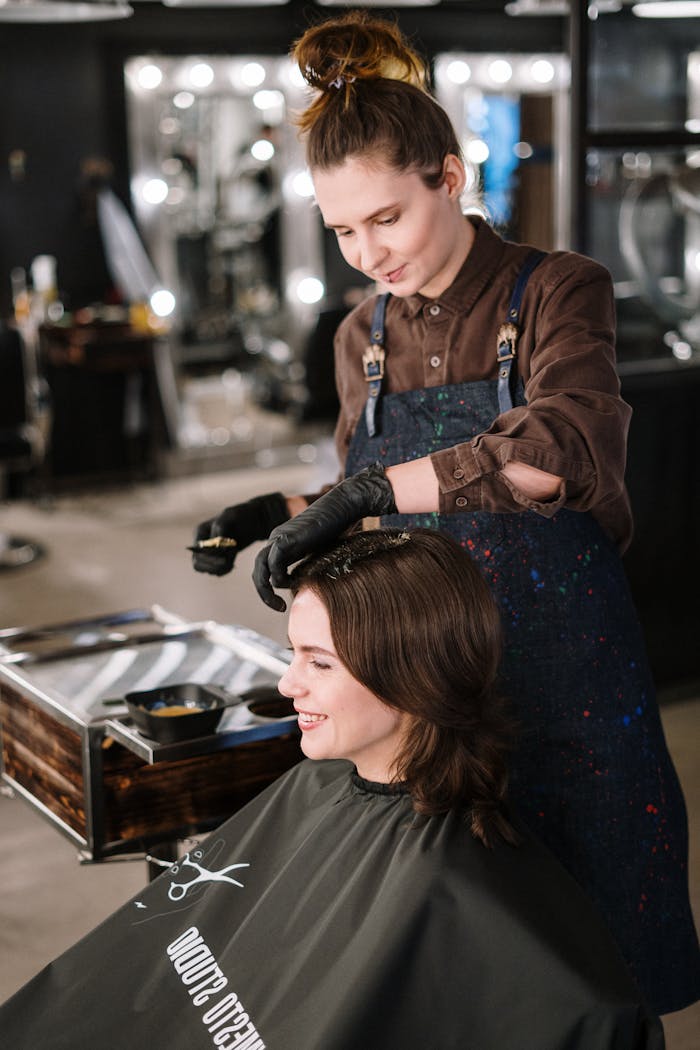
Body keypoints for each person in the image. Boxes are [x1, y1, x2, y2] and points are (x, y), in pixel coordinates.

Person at [190, 12, 700, 1016]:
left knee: (599, 962)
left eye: (386, 217)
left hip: (572, 693)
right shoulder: (358, 339)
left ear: (449, 178)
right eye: (342, 231)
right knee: (466, 967)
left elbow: (560, 456)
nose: (366, 252)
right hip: (437, 703)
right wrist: (291, 507)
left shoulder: (556, 291)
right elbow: (383, 495)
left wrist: (367, 490)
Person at [0, 529, 664, 1049]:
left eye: (319, 662)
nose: (289, 685)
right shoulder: (316, 783)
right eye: (294, 653)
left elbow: (589, 1017)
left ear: (412, 673)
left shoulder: (465, 894)